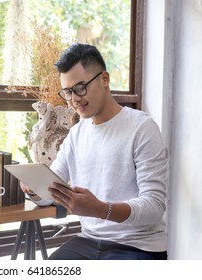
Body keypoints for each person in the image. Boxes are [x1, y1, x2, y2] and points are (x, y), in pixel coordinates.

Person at [21, 43, 169, 260]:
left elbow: (155, 206)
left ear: (104, 79)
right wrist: (34, 189)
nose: (74, 99)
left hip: (138, 246)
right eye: (68, 92)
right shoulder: (76, 134)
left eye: (80, 88)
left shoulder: (142, 128)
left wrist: (101, 209)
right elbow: (52, 191)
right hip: (88, 242)